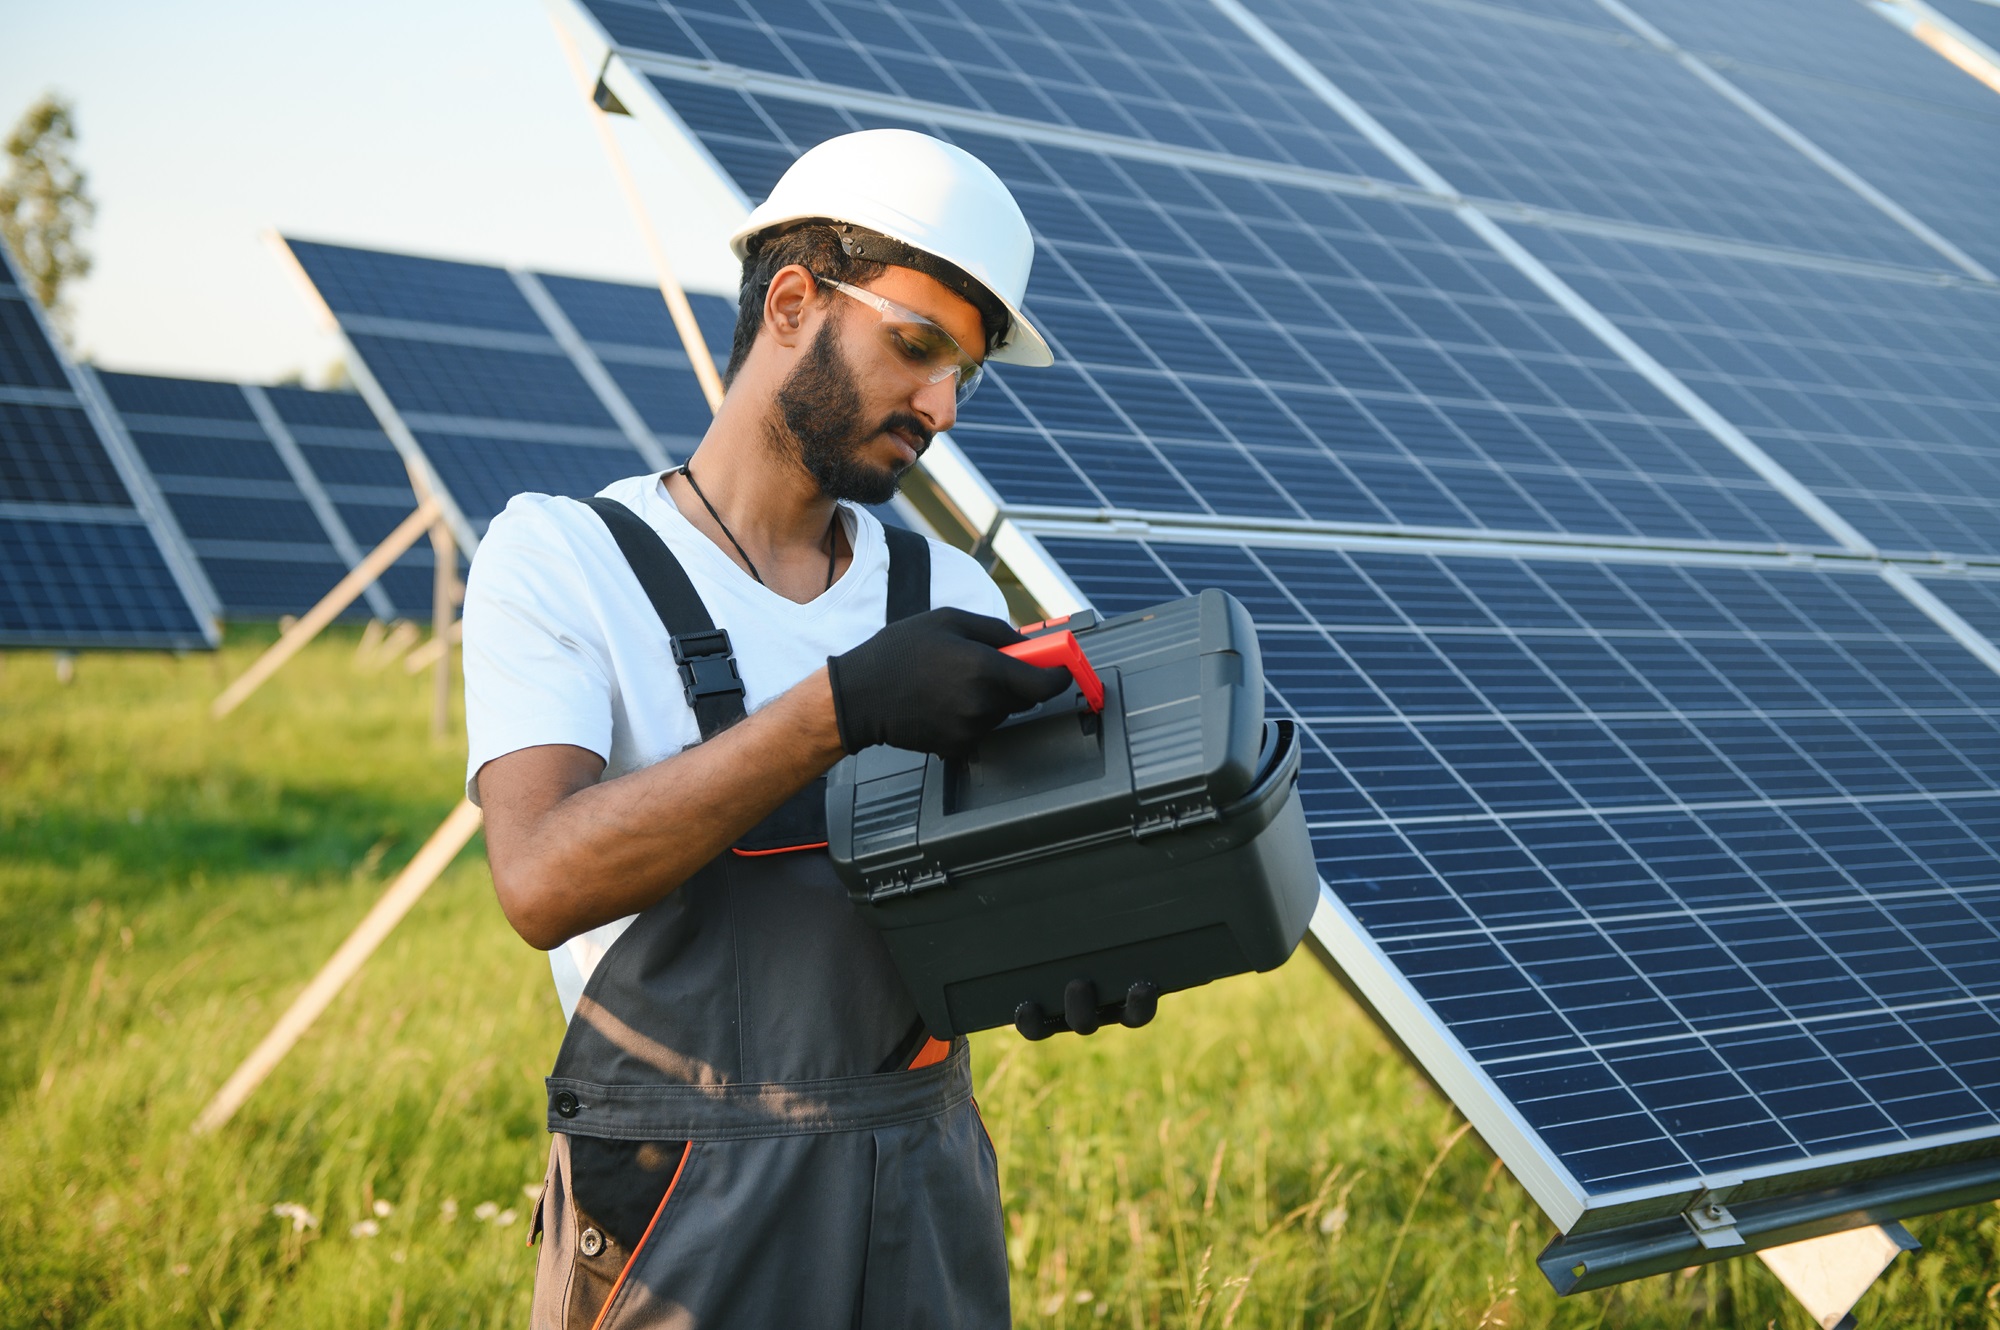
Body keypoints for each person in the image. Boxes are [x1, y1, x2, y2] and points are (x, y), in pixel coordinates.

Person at [461, 129, 1068, 1329]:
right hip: (681, 1205)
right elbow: (536, 876)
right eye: (917, 346)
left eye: (967, 372)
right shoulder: (567, 557)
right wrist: (835, 712)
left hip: (922, 1178)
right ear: (793, 301)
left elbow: (991, 895)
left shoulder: (944, 592)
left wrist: (1073, 952)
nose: (941, 405)